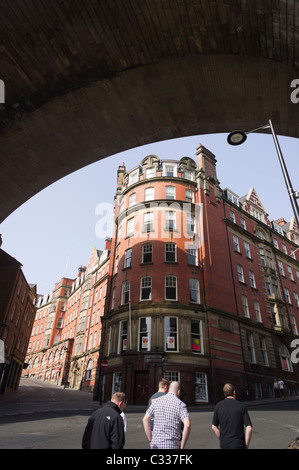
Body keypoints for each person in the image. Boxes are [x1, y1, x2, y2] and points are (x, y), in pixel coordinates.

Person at [143, 381, 191, 449]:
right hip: (172, 445)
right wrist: (182, 445)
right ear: (178, 392)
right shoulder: (180, 404)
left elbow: (145, 419)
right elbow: (187, 425)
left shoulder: (157, 401)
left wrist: (150, 440)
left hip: (156, 445)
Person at [211, 383, 252, 449]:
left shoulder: (218, 406)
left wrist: (221, 438)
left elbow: (213, 426)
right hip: (239, 444)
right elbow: (249, 428)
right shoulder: (241, 406)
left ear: (224, 393)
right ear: (234, 392)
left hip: (225, 444)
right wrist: (246, 445)